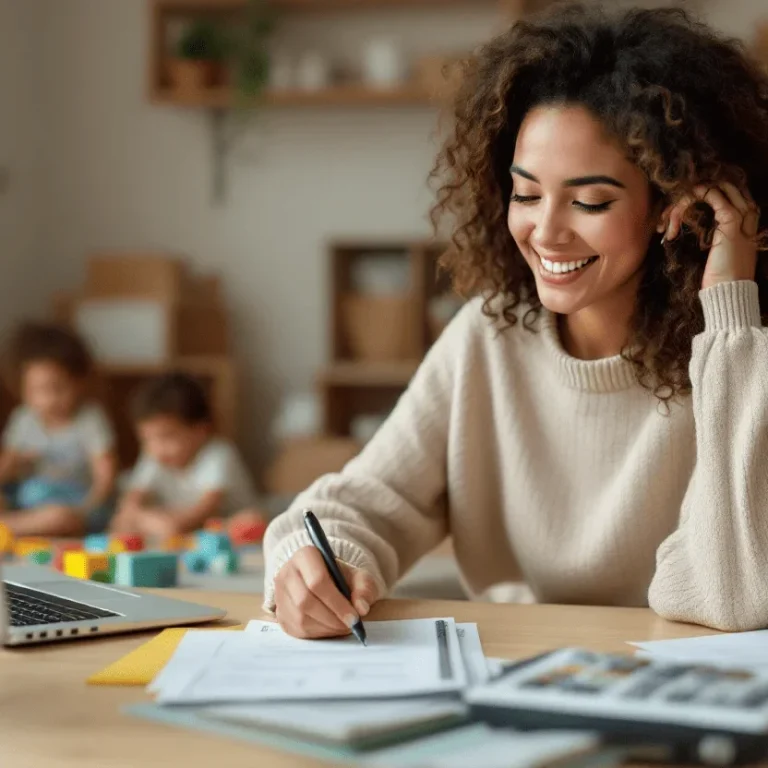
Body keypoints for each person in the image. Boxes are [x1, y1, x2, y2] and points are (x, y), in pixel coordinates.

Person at [263, 1, 768, 637]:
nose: (547, 232)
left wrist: (728, 306)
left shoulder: (741, 359)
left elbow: (735, 591)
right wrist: (315, 562)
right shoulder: (488, 337)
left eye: (589, 200)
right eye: (526, 194)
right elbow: (368, 503)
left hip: (687, 699)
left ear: (674, 206)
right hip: (517, 677)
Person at [0, 322, 117, 536]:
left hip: (76, 504)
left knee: (59, 517)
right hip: (32, 503)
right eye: (38, 390)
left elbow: (105, 477)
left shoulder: (89, 419)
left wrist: (85, 510)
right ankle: (19, 525)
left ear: (79, 382)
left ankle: (12, 527)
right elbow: (6, 466)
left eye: (58, 388)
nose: (49, 400)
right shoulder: (24, 418)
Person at [112, 372, 259, 540]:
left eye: (167, 436)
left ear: (201, 430)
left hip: (220, 530)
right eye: (147, 439)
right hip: (181, 529)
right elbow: (127, 510)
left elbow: (200, 515)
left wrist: (146, 520)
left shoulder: (218, 454)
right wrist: (151, 520)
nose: (157, 448)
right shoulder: (154, 457)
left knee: (251, 519)